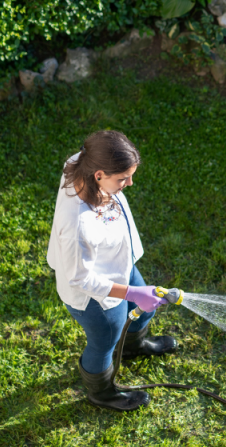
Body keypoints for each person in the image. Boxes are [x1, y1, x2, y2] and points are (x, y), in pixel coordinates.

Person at [46, 130, 177, 412]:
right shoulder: (77, 224)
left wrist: (133, 290)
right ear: (99, 175)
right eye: (122, 178)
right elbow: (80, 278)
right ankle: (102, 392)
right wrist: (132, 292)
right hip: (93, 296)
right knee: (106, 339)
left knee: (145, 309)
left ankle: (132, 347)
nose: (130, 183)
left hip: (118, 265)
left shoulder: (82, 162)